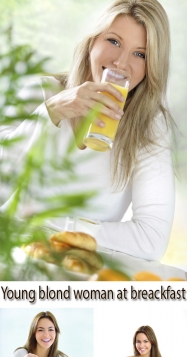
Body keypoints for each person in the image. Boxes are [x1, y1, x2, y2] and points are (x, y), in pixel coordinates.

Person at [0, 0, 175, 261]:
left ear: (152, 67)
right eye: (113, 41)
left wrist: (57, 228)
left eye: (140, 54)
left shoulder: (149, 126)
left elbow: (151, 239)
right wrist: (51, 112)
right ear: (92, 42)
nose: (120, 62)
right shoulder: (42, 93)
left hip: (80, 275)